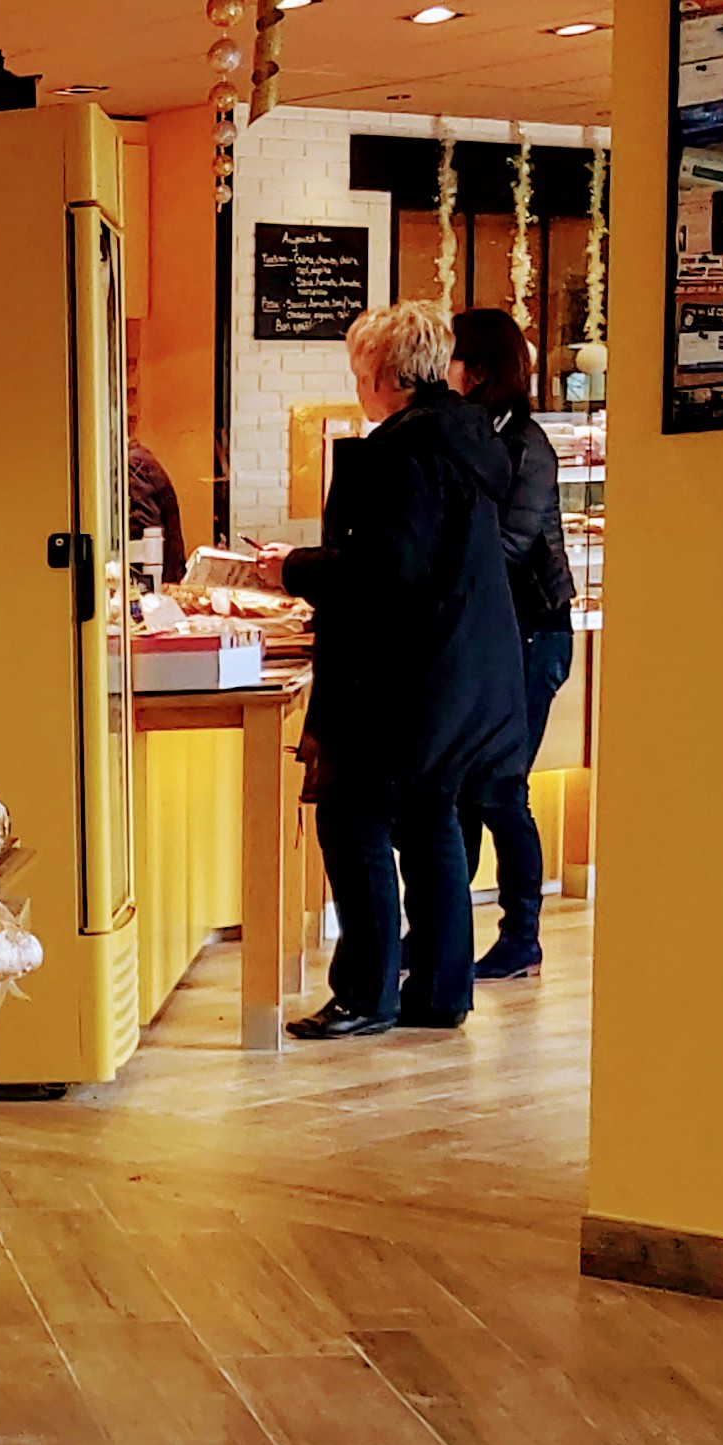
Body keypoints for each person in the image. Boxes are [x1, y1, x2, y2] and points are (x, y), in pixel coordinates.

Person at [276, 299, 524, 1039]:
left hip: (396, 681)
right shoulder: (468, 438)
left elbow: (388, 569)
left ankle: (365, 994)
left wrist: (291, 568)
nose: (357, 385)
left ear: (384, 374)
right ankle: (442, 992)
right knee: (429, 820)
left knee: (352, 820)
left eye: (360, 372)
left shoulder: (399, 453)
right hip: (457, 676)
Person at [449, 307, 577, 981]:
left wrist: (427, 573)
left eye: (450, 357)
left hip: (533, 633)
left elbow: (510, 544)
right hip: (490, 634)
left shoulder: (527, 445)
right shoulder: (475, 434)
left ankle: (521, 937)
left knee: (499, 789)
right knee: (461, 788)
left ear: (475, 369)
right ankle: (441, 930)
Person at [127, 434, 187, 587]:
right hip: (165, 575)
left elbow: (143, 530)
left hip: (155, 578)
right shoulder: (141, 460)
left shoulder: (132, 464)